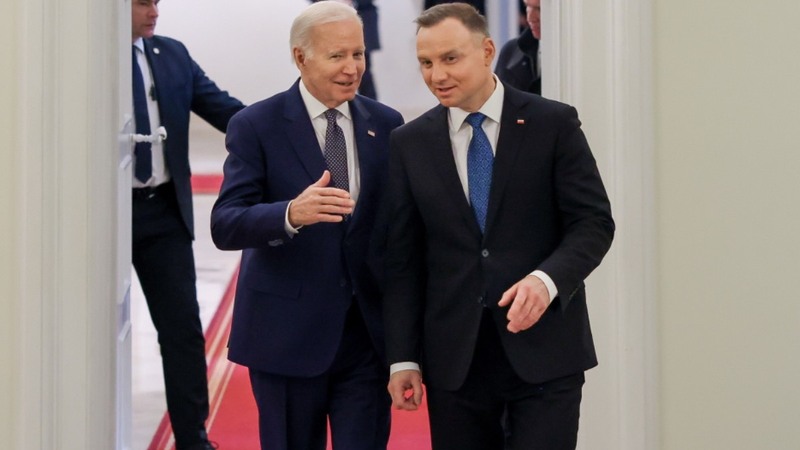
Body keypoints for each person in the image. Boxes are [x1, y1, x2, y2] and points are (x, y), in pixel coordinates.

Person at [381, 4, 614, 450]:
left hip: (545, 354)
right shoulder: (409, 143)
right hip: (455, 364)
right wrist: (403, 358)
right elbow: (403, 261)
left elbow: (593, 223)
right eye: (426, 63)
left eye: (450, 58)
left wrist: (547, 281)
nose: (437, 75)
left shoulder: (553, 123)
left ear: (487, 51)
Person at [209, 2, 404, 449]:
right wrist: (289, 214)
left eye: (358, 54)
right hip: (286, 338)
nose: (352, 68)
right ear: (301, 57)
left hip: (365, 338)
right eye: (337, 56)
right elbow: (226, 223)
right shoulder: (256, 125)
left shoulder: (386, 123)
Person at [130, 0, 245, 448]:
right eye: (143, 2)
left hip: (163, 212)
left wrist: (286, 128)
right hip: (104, 217)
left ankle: (193, 438)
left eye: (157, 2)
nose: (154, 11)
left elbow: (226, 111)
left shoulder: (171, 54)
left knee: (181, 328)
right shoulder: (89, 64)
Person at [311, 0, 381, 99]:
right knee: (329, 68)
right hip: (327, 19)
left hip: (361, 16)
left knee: (363, 71)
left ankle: (369, 106)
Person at [496, 0, 541, 94]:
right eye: (527, 6)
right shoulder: (510, 52)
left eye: (539, 9)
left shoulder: (570, 58)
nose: (530, 18)